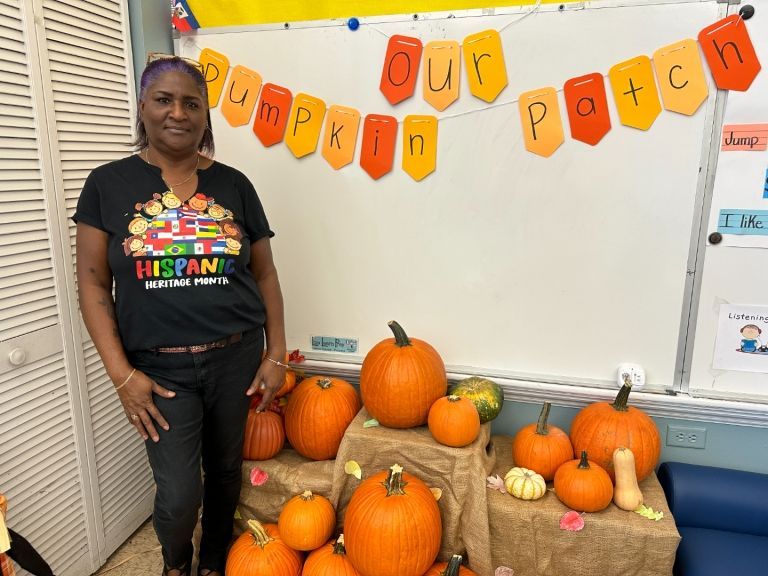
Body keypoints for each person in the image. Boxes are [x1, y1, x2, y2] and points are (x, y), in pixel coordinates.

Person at [73, 54, 286, 576]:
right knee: (178, 494)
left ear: (206, 116)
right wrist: (122, 376)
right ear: (142, 107)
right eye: (164, 100)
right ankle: (176, 563)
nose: (178, 113)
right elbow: (93, 283)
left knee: (225, 470)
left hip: (235, 357)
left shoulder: (235, 185)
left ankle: (212, 561)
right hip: (160, 371)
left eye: (192, 103)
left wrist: (276, 352)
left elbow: (265, 275)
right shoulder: (107, 184)